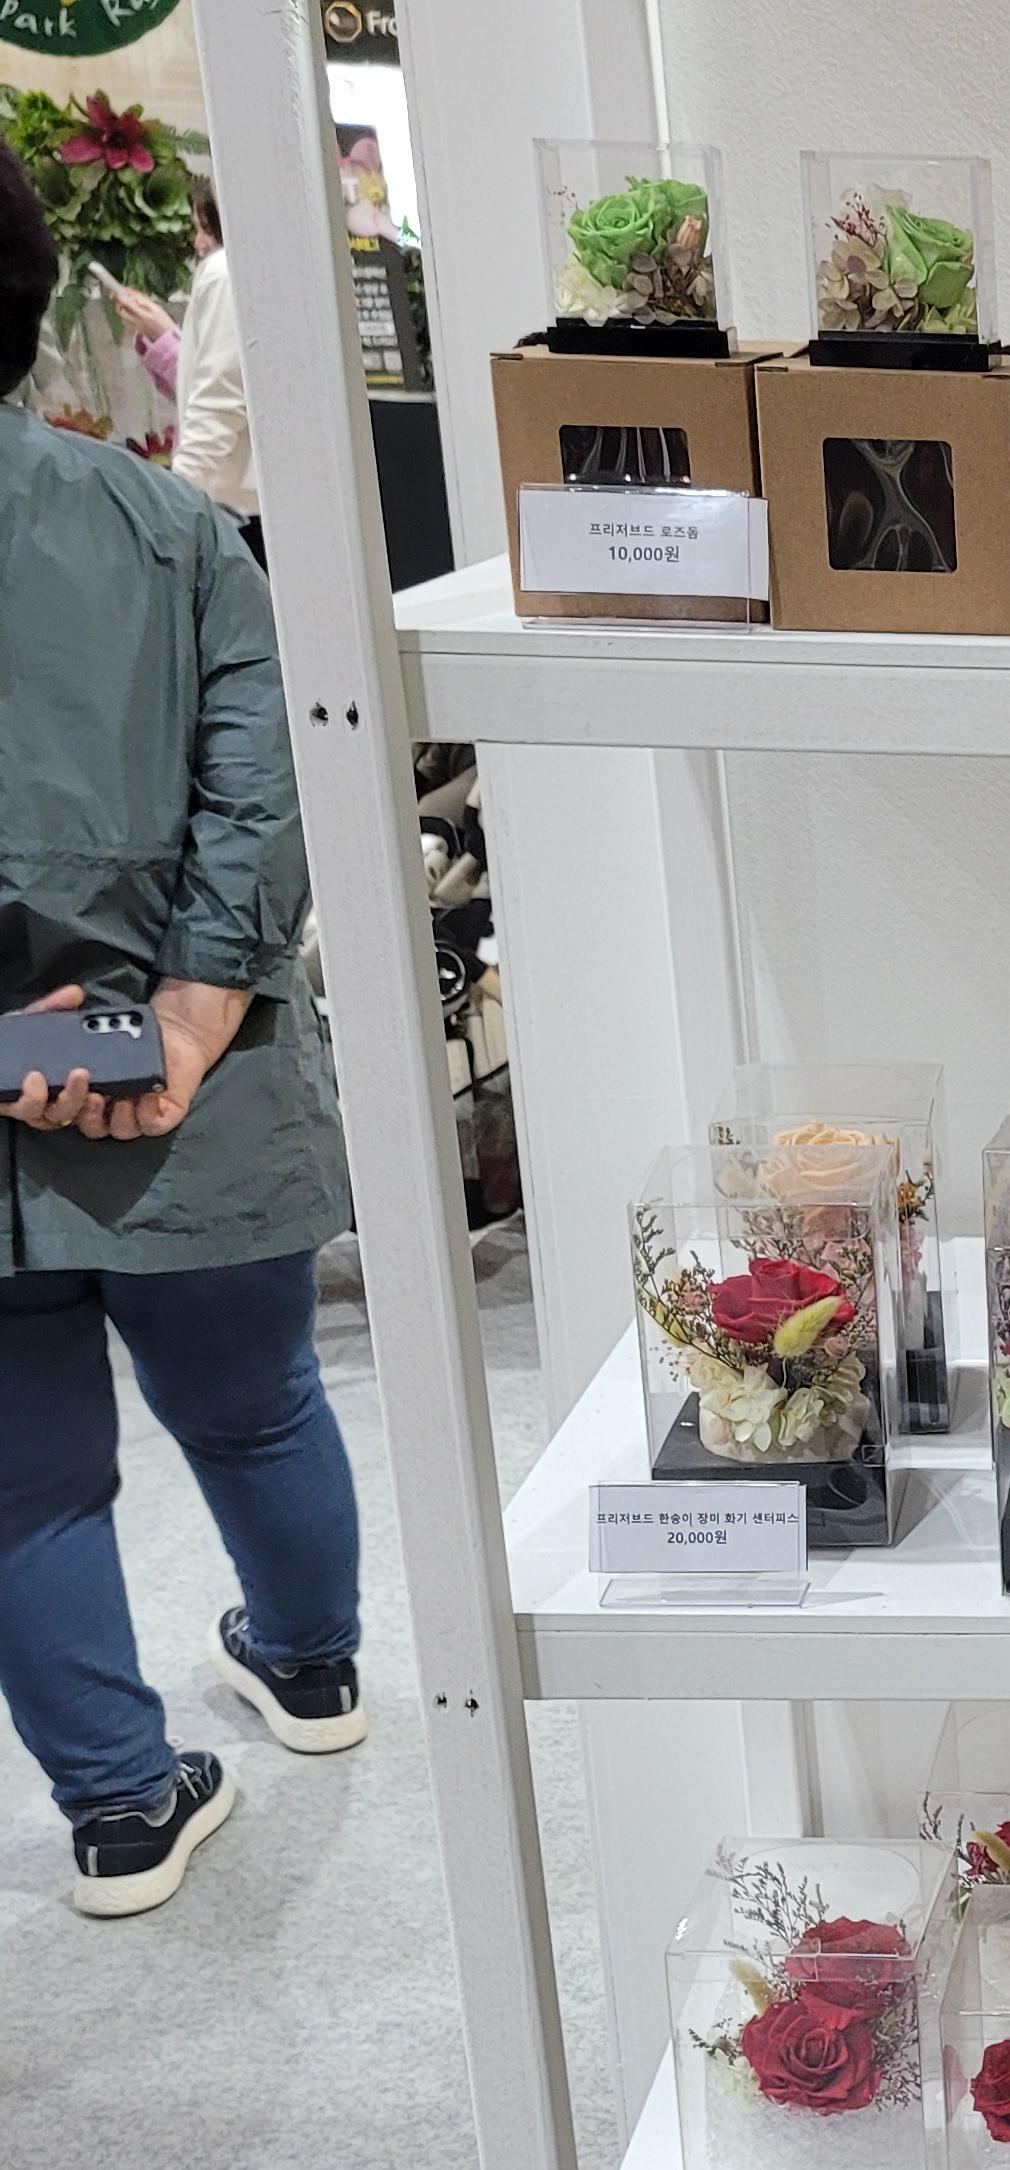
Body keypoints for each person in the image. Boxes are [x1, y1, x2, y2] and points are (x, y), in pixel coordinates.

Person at [0, 146, 361, 1917]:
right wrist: (195, 1019)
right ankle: (310, 1666)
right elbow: (263, 783)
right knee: (257, 1404)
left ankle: (124, 1809)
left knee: (19, 1482)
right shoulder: (170, 527)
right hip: (183, 1084)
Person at [108, 178, 261, 562]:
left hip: (234, 507)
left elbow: (220, 396)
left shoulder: (223, 272)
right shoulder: (248, 267)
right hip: (244, 504)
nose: (198, 243)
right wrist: (162, 333)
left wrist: (178, 492)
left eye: (201, 228)